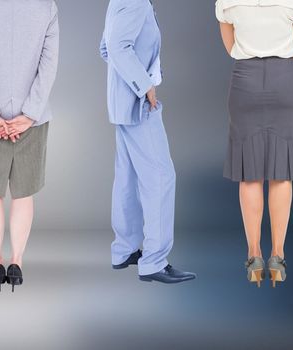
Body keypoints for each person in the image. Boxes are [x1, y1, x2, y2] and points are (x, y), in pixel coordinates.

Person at [216, 0, 293, 288]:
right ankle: (278, 256)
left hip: (245, 80)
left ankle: (254, 255)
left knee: (249, 172)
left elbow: (230, 46)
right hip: (286, 79)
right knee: (281, 172)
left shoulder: (227, 2)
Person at [0, 0, 59, 292]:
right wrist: (30, 112)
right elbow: (49, 64)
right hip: (32, 117)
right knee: (24, 192)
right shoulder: (46, 7)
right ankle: (16, 262)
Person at [101, 0, 195, 284]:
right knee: (161, 176)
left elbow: (106, 47)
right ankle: (153, 261)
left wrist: (130, 80)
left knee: (127, 176)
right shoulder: (136, 2)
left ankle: (124, 250)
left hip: (122, 102)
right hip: (138, 105)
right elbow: (116, 47)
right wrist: (144, 85)